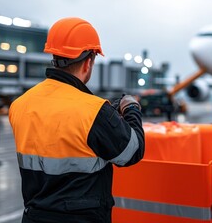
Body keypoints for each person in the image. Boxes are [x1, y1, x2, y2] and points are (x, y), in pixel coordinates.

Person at [8, 17, 145, 223]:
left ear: (54, 55)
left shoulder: (20, 105)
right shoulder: (93, 111)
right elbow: (131, 152)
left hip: (34, 217)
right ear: (89, 62)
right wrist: (132, 109)